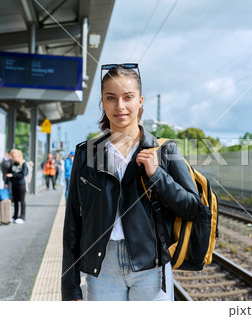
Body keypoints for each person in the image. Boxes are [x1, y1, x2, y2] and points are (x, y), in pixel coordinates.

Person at [62, 64, 202, 301]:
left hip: (151, 268)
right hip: (101, 268)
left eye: (128, 97)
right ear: (102, 103)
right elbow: (73, 223)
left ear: (140, 101)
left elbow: (193, 208)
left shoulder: (164, 150)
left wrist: (157, 176)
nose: (120, 106)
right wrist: (71, 288)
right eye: (111, 98)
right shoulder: (86, 155)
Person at [5, 149, 28, 224]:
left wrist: (13, 175)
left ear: (18, 156)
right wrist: (6, 182)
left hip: (21, 185)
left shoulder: (23, 164)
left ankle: (22, 217)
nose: (13, 158)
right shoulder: (12, 164)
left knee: (22, 200)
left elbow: (22, 174)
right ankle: (15, 216)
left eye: (14, 156)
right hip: (13, 184)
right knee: (15, 201)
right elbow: (8, 173)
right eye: (12, 156)